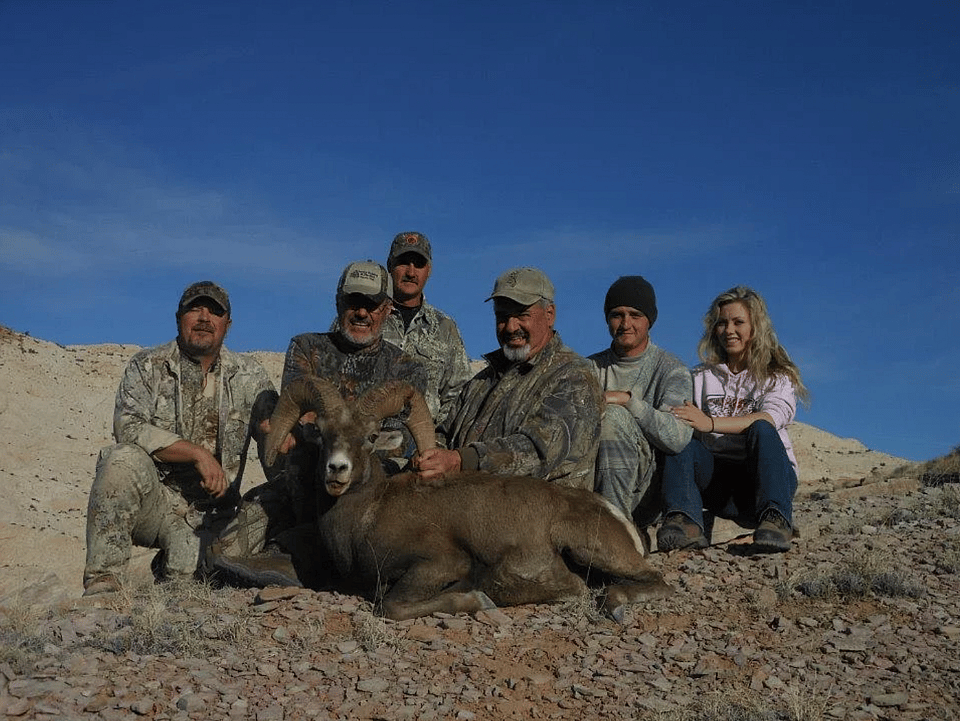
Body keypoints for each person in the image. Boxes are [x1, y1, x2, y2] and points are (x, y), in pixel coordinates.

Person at [212, 261, 429, 587]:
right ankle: (303, 547)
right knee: (221, 555)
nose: (361, 312)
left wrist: (350, 436)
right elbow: (296, 418)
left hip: (371, 495)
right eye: (352, 302)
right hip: (309, 480)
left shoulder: (407, 369)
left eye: (370, 305)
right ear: (338, 303)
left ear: (386, 309)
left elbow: (402, 442)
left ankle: (311, 556)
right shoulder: (307, 348)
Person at [83, 281, 275, 596]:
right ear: (178, 318)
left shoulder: (250, 375)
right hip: (158, 503)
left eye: (215, 311)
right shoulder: (147, 365)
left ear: (228, 324)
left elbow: (274, 431)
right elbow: (128, 427)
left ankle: (180, 566)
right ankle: (105, 583)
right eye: (194, 309)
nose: (204, 318)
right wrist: (197, 454)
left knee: (187, 586)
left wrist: (285, 435)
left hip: (216, 514)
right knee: (120, 459)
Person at [416, 267, 603, 489]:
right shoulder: (480, 382)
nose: (511, 327)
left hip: (543, 517)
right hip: (471, 510)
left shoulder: (575, 377)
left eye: (522, 315)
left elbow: (538, 450)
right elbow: (445, 435)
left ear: (550, 314)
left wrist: (461, 460)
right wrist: (428, 457)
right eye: (502, 317)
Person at [659, 285, 809, 553]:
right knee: (679, 437)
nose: (729, 330)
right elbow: (678, 414)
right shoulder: (700, 377)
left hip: (765, 481)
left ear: (755, 328)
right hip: (721, 483)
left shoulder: (777, 376)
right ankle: (685, 521)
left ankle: (775, 518)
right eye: (722, 323)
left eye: (738, 322)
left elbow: (770, 418)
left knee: (761, 429)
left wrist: (711, 424)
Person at [588, 276, 693, 528]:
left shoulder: (672, 370)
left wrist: (628, 402)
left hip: (645, 489)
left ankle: (616, 530)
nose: (625, 324)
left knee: (613, 417)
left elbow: (677, 436)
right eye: (617, 315)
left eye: (635, 315)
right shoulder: (587, 368)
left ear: (649, 320)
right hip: (590, 482)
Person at [382, 231, 472, 424]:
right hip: (366, 443)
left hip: (422, 447)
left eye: (419, 264)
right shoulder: (365, 319)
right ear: (390, 266)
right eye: (404, 262)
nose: (411, 272)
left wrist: (436, 443)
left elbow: (457, 395)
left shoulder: (445, 328)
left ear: (429, 270)